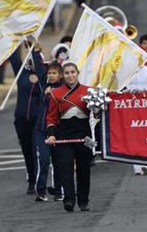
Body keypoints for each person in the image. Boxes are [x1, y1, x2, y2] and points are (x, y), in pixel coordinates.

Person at [45, 61, 95, 212]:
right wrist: (52, 135)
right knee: (65, 168)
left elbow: (96, 115)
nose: (70, 75)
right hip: (64, 133)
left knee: (84, 169)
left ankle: (83, 200)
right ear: (62, 75)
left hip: (83, 132)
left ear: (77, 73)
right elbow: (52, 117)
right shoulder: (55, 93)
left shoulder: (89, 91)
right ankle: (68, 200)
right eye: (67, 73)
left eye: (73, 72)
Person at [9, 47, 43, 195]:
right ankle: (31, 180)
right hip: (21, 119)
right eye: (29, 58)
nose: (31, 60)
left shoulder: (43, 77)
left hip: (37, 120)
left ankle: (39, 180)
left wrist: (34, 48)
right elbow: (14, 58)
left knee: (37, 150)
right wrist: (16, 40)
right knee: (27, 150)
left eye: (34, 58)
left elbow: (38, 63)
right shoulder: (21, 74)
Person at [32, 48, 64, 202]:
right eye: (49, 73)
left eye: (54, 73)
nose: (51, 76)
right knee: (43, 161)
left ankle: (59, 191)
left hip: (58, 131)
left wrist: (52, 95)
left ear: (60, 75)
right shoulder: (43, 85)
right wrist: (35, 50)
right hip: (41, 130)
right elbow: (38, 68)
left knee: (58, 162)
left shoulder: (64, 89)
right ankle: (41, 191)